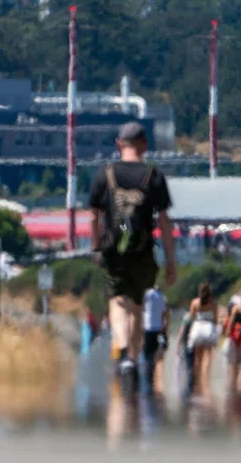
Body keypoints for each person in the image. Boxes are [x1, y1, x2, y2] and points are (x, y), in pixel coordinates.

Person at [90, 122, 177, 394]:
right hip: (143, 251)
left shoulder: (105, 175)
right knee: (137, 305)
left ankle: (124, 350)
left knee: (118, 301)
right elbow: (163, 222)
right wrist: (171, 259)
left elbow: (94, 216)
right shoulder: (154, 176)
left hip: (114, 250)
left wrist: (97, 247)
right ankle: (132, 358)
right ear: (144, 144)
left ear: (119, 144)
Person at [187, 282, 220, 398]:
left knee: (197, 358)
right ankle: (205, 382)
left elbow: (191, 318)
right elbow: (216, 320)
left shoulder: (195, 302)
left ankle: (197, 385)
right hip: (208, 330)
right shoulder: (213, 303)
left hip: (197, 329)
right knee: (207, 357)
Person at [142, 284, 169, 394]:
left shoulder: (148, 294)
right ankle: (152, 376)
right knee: (154, 353)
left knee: (147, 354)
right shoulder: (161, 296)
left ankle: (148, 378)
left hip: (148, 327)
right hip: (158, 328)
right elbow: (164, 314)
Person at [175, 311, 195, 398]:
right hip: (192, 345)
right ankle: (190, 388)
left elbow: (181, 331)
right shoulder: (196, 316)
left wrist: (178, 346)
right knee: (191, 366)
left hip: (188, 345)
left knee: (189, 366)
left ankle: (188, 389)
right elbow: (182, 331)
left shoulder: (188, 316)